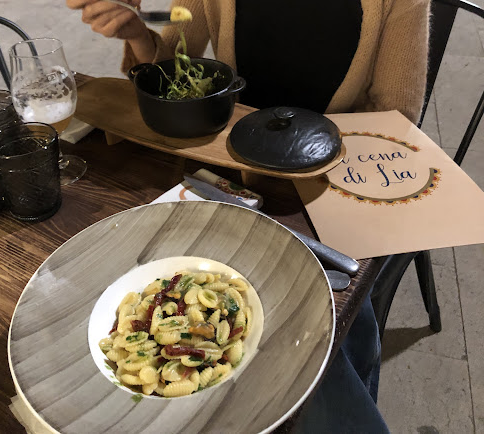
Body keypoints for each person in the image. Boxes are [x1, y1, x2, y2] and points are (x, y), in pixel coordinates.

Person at [66, 1, 430, 431]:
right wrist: (136, 34)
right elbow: (172, 71)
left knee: (320, 342)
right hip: (231, 161)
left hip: (332, 174)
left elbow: (395, 118)